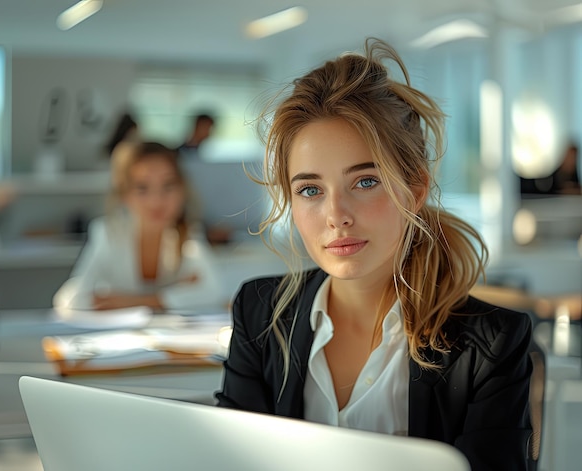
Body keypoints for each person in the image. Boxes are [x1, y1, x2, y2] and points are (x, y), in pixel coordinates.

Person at [216, 38, 534, 471]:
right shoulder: (260, 314)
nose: (336, 216)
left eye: (365, 181)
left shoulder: (489, 344)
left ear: (416, 189)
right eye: (310, 190)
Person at [53, 141, 224, 313]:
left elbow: (213, 292)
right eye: (142, 188)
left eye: (168, 186)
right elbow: (70, 299)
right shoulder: (108, 234)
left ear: (182, 189)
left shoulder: (188, 235)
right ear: (124, 194)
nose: (156, 201)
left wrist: (132, 301)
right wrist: (175, 295)